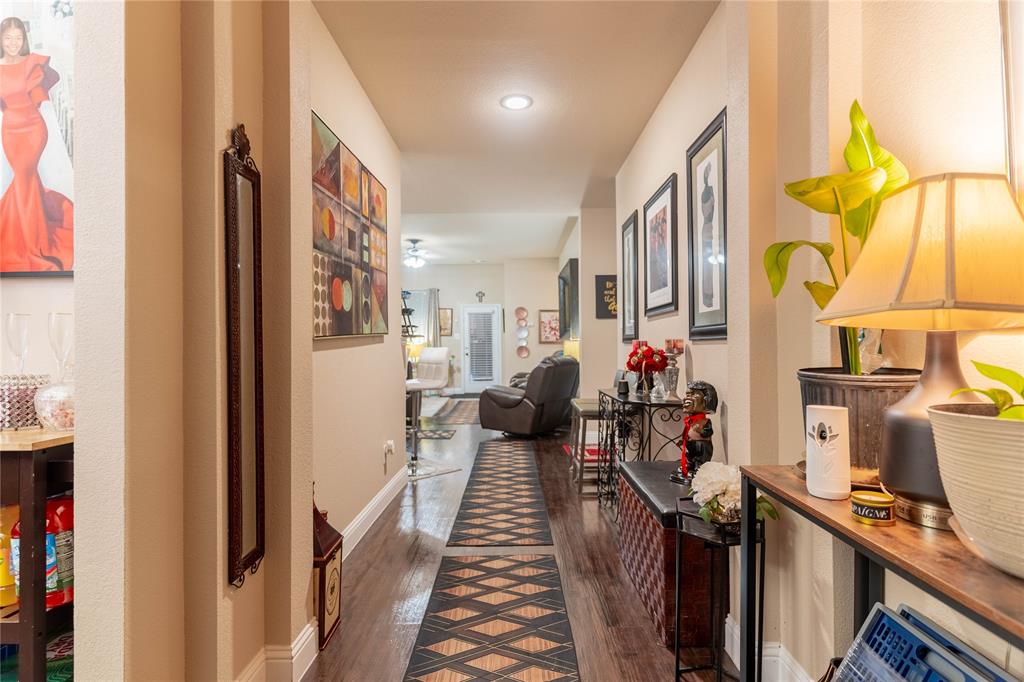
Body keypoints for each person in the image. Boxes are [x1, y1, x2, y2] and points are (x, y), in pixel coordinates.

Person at [0, 16, 73, 273]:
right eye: (8, 38)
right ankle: (25, 233)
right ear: (0, 39)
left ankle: (31, 245)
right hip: (10, 130)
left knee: (24, 176)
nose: (13, 43)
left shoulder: (32, 63)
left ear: (24, 40)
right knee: (25, 181)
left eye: (17, 38)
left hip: (33, 129)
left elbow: (45, 87)